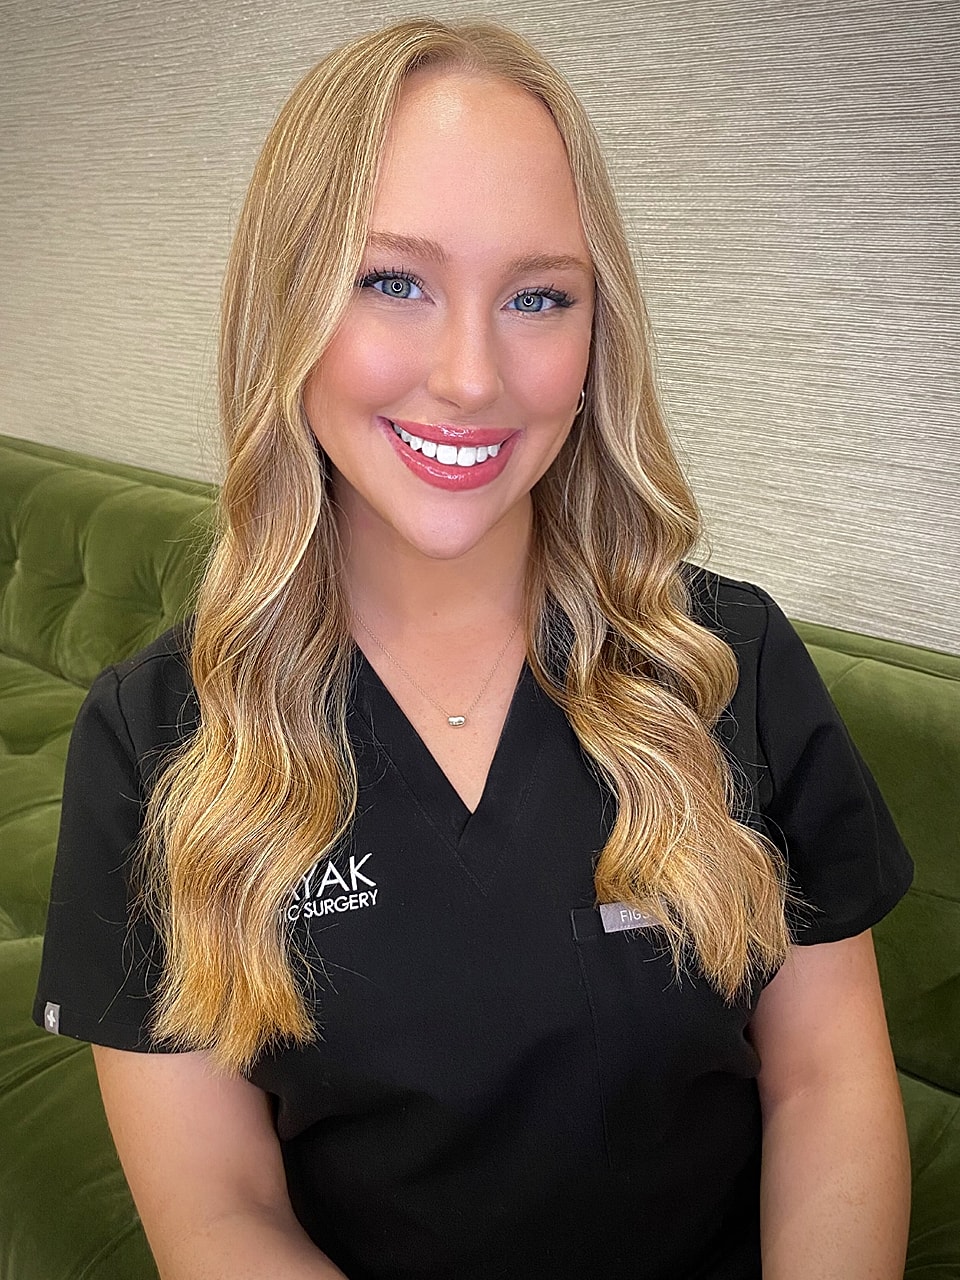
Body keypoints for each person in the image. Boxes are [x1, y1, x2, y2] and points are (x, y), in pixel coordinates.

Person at [34, 17, 914, 1280]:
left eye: (538, 297)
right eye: (393, 281)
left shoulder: (730, 663)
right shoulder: (153, 737)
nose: (469, 376)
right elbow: (219, 1211)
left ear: (597, 335)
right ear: (287, 306)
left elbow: (827, 1078)